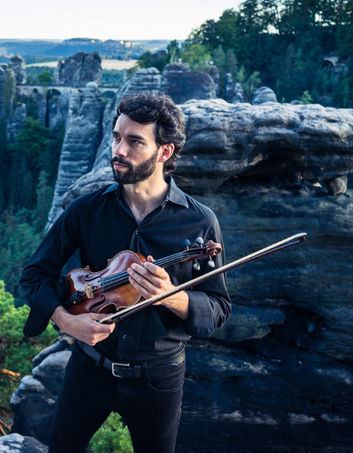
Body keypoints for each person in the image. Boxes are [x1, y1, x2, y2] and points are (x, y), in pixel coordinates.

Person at [20, 94, 230, 453]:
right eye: (117, 137)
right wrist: (66, 322)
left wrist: (174, 297)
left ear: (164, 152)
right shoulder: (86, 210)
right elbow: (34, 275)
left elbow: (219, 307)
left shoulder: (200, 222)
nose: (119, 149)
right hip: (89, 371)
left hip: (159, 378)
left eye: (134, 141)